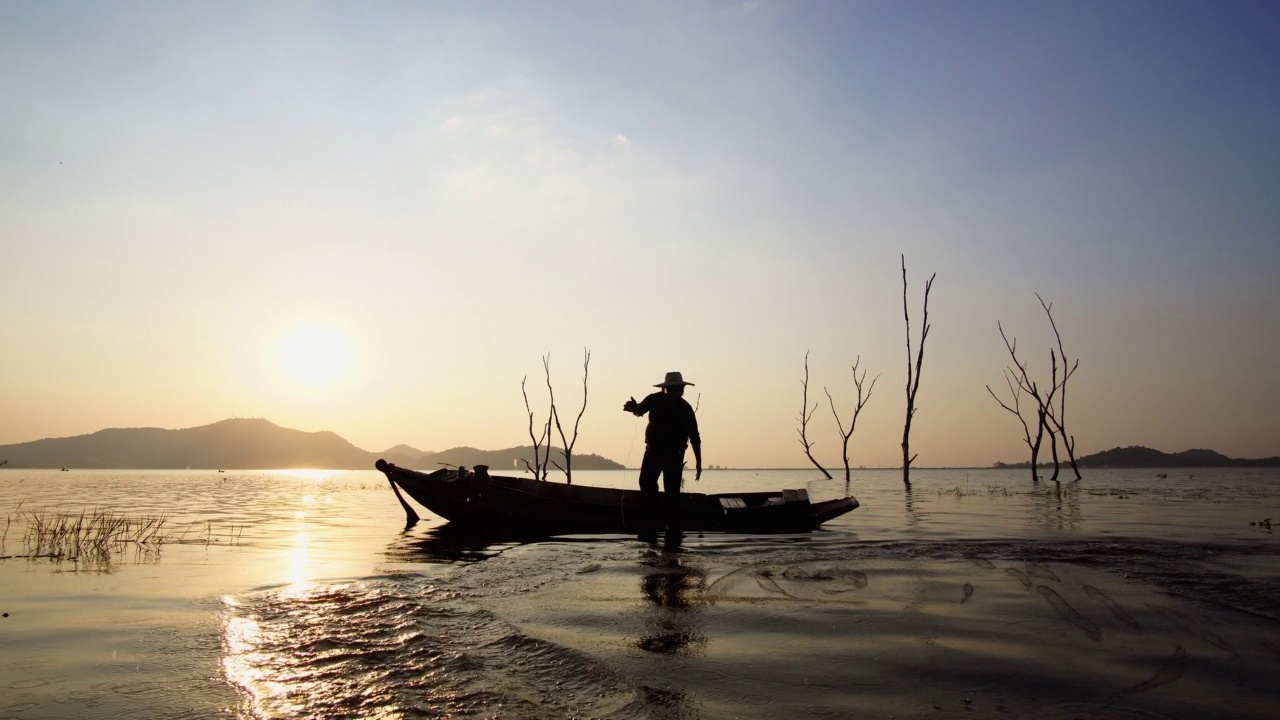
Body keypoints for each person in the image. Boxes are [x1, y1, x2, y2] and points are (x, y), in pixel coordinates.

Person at [623, 371, 702, 519]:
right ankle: (653, 514)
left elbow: (695, 437)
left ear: (681, 390)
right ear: (665, 389)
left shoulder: (685, 409)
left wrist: (698, 462)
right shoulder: (654, 399)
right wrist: (633, 408)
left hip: (674, 456)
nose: (673, 392)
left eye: (677, 389)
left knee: (672, 493)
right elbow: (640, 410)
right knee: (646, 483)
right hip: (653, 452)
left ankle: (670, 524)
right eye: (670, 389)